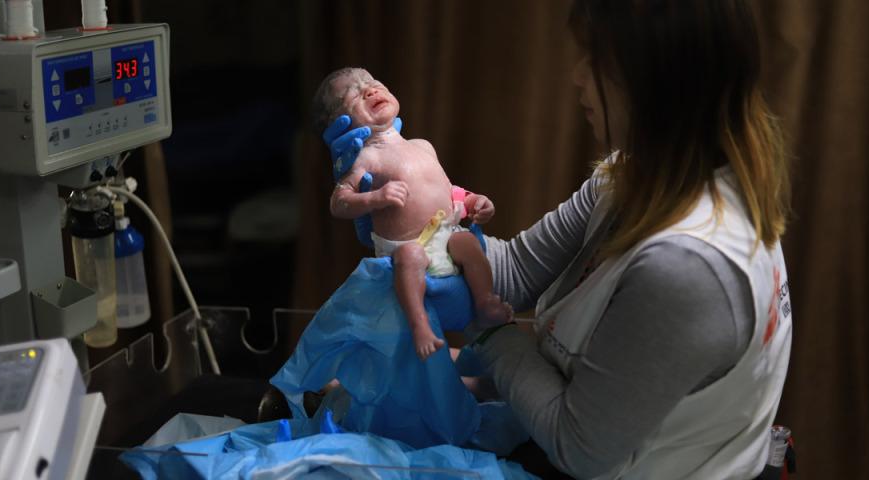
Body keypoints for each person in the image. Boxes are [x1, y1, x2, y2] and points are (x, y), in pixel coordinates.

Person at [321, 0, 793, 478]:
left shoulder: (690, 267)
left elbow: (581, 447)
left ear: (654, 81)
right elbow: (515, 273)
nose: (577, 75)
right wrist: (411, 224)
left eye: (596, 60)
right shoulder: (632, 175)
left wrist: (487, 333)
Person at [311, 67, 513, 360]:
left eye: (373, 82)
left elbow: (446, 189)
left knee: (468, 243)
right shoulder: (366, 157)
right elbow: (338, 201)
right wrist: (373, 198)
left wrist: (472, 201)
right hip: (407, 247)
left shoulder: (422, 146)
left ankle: (484, 304)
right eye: (351, 93)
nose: (368, 90)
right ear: (340, 124)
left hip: (445, 236)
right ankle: (420, 327)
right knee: (410, 258)